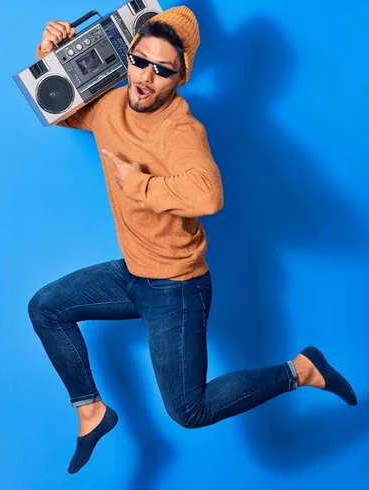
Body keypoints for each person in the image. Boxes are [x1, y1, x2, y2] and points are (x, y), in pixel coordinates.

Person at [26, 5, 357, 475]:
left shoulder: (181, 130)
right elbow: (61, 111)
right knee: (46, 307)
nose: (145, 78)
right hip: (133, 272)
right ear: (128, 57)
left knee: (189, 411)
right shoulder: (112, 105)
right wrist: (48, 54)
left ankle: (301, 369)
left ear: (180, 78)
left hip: (176, 288)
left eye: (162, 71)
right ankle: (92, 412)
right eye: (140, 61)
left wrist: (136, 183)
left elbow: (209, 195)